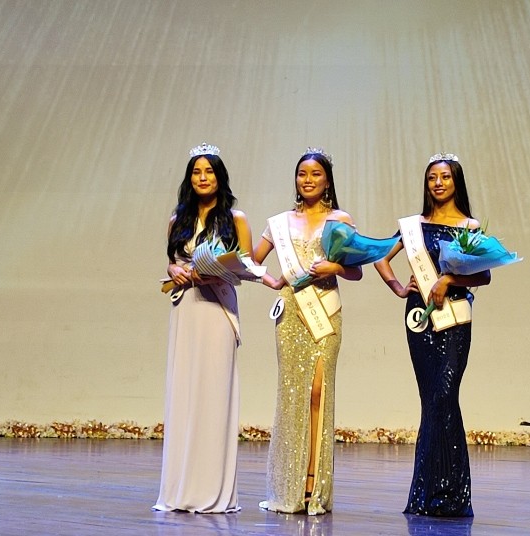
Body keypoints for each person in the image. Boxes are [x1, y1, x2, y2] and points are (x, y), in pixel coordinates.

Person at [373, 153, 491, 517]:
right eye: (432, 179)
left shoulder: (469, 226)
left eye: (445, 178)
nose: (438, 184)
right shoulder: (414, 227)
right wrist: (397, 286)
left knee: (445, 396)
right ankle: (427, 495)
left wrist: (449, 279)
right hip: (420, 319)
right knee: (431, 402)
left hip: (454, 319)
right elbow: (381, 257)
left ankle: (451, 494)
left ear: (456, 182)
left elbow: (484, 275)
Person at [253, 148, 362, 515]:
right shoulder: (281, 222)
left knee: (318, 390)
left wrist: (333, 267)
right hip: (292, 316)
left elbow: (355, 271)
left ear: (327, 179)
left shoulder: (339, 219)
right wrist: (273, 280)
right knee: (292, 394)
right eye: (302, 173)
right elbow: (252, 262)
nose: (308, 179)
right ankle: (289, 483)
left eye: (316, 173)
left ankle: (314, 481)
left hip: (325, 314)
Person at [153, 143, 253, 514]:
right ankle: (179, 489)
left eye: (209, 171)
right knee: (185, 394)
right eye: (196, 171)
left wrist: (215, 269)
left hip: (217, 309)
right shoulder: (176, 220)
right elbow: (171, 262)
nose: (202, 178)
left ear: (219, 176)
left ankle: (213, 489)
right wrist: (173, 270)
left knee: (214, 393)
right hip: (185, 311)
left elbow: (248, 268)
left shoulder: (236, 219)